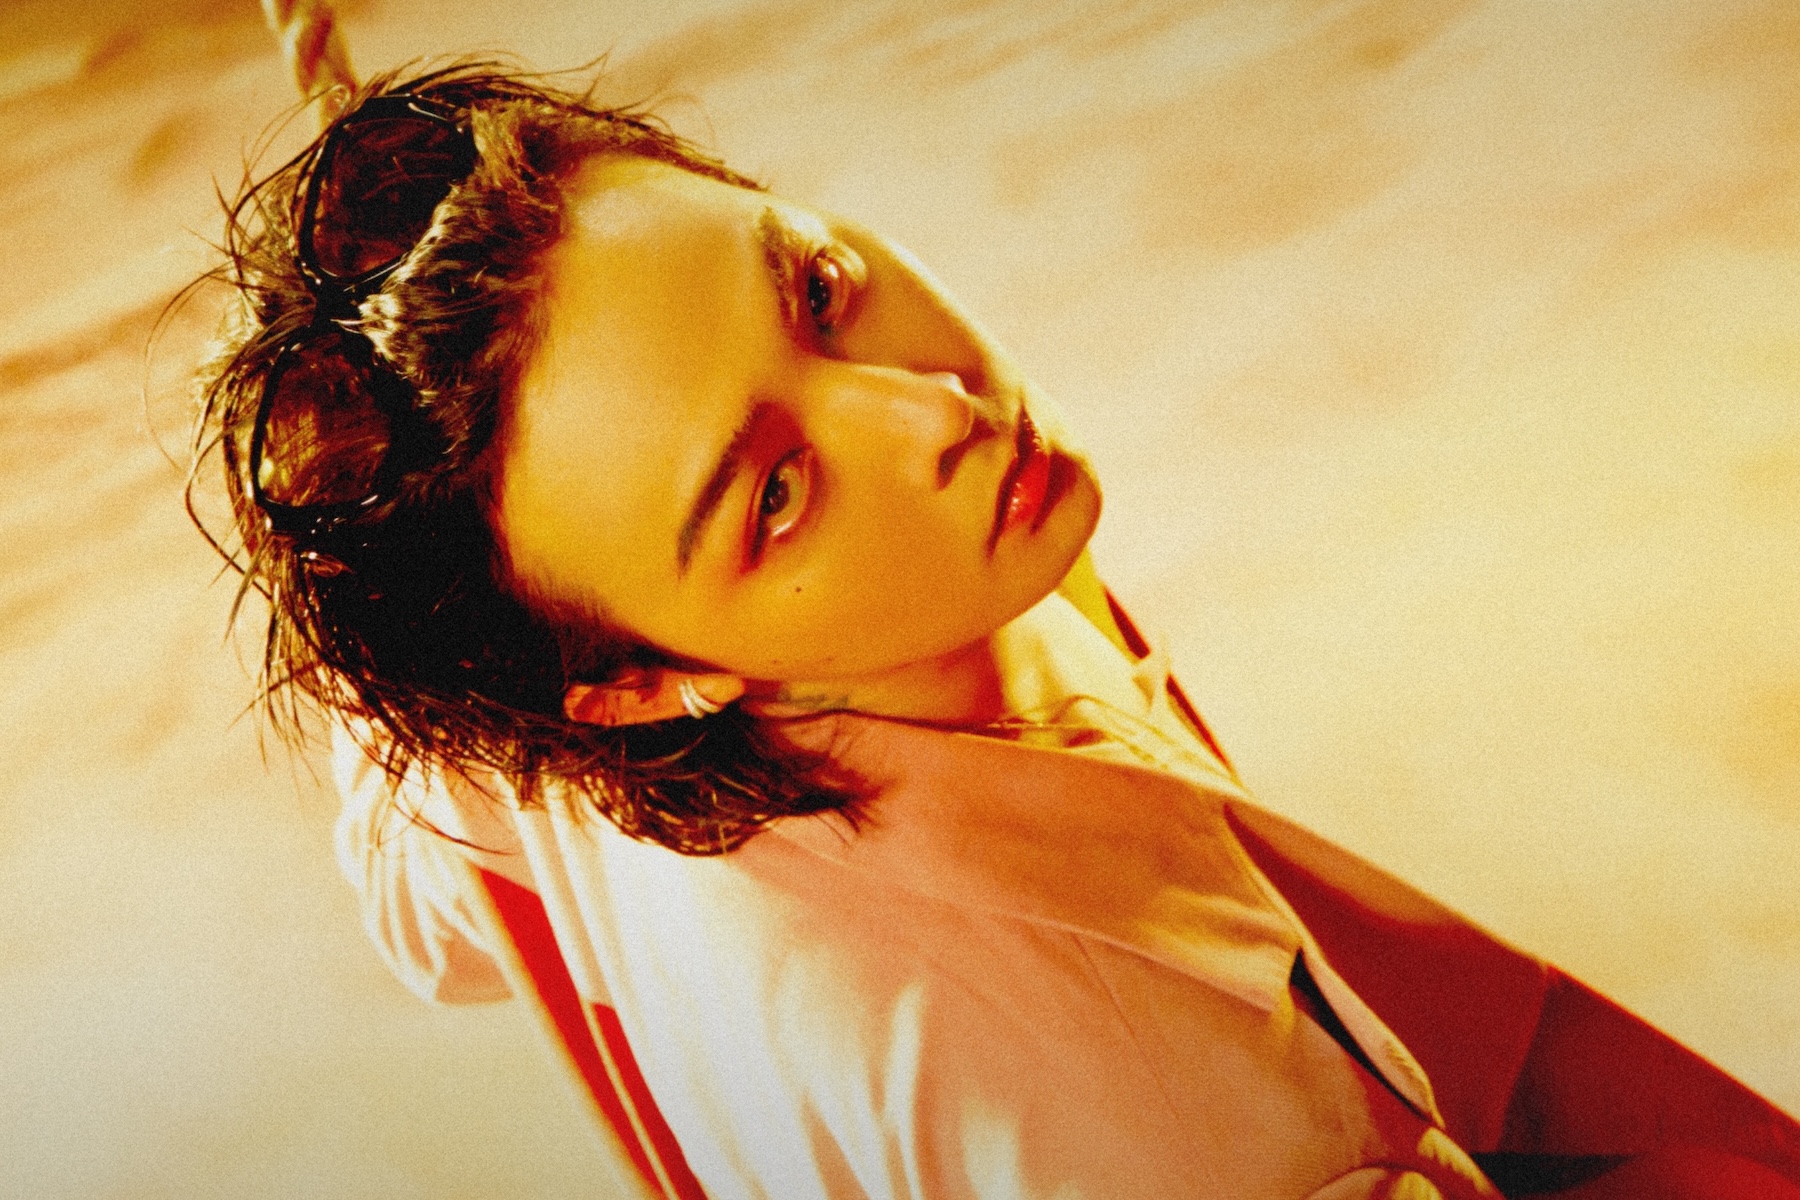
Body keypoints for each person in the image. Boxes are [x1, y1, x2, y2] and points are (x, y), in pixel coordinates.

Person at [192, 62, 1800, 1199]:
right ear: (641, 684)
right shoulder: (1168, 1113)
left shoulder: (527, 734)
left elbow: (425, 896)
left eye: (819, 291)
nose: (931, 410)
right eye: (774, 496)